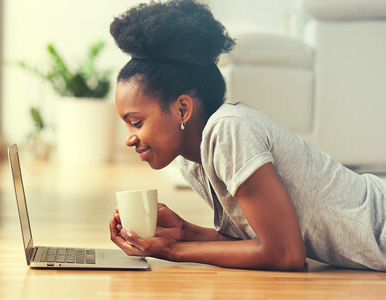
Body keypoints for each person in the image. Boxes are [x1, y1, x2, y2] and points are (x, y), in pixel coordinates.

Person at [108, 0, 386, 271]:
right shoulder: (192, 161)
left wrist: (172, 250)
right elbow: (260, 243)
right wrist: (183, 232)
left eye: (136, 122)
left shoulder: (228, 130)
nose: (129, 138)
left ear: (182, 108)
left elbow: (285, 254)